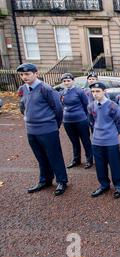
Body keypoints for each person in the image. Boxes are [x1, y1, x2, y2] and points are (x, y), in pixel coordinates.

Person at [17, 63, 68, 196]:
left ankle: (62, 181)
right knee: (40, 157)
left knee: (54, 156)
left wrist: (53, 125)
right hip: (31, 130)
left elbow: (58, 109)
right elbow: (22, 106)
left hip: (47, 130)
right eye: (22, 75)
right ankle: (45, 180)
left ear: (36, 73)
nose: (24, 77)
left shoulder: (46, 89)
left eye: (27, 74)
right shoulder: (23, 88)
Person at [87, 82, 120, 199]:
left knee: (114, 164)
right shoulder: (91, 106)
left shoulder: (112, 106)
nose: (95, 94)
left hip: (111, 141)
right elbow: (92, 121)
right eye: (93, 92)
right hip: (97, 141)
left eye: (98, 91)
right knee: (100, 165)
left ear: (104, 91)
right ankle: (104, 185)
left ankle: (119, 185)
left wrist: (114, 133)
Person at [59, 73, 93, 169]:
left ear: (73, 81)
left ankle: (89, 159)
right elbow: (61, 105)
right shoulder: (62, 92)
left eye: (68, 81)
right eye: (64, 81)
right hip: (68, 121)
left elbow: (86, 105)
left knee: (85, 140)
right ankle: (76, 159)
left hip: (81, 120)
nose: (66, 83)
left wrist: (86, 117)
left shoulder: (79, 91)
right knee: (74, 141)